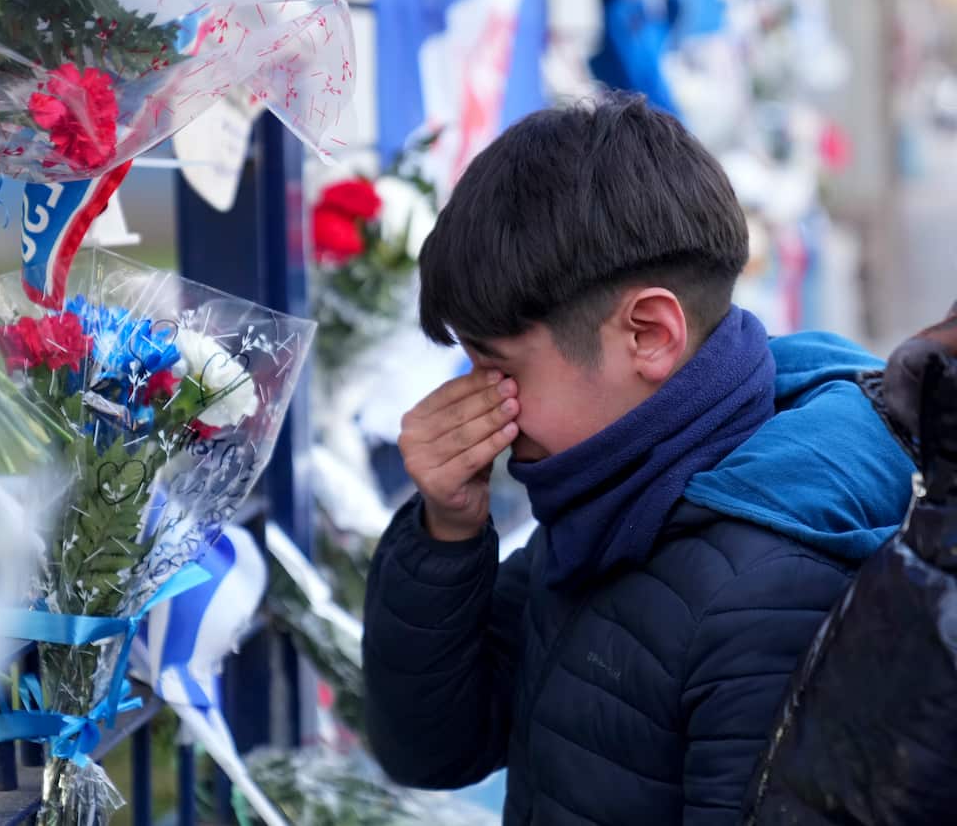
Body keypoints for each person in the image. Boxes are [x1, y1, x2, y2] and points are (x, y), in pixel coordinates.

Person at [361, 93, 915, 826]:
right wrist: (447, 531)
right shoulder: (620, 488)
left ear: (650, 335)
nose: (477, 400)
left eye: (499, 367)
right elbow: (432, 749)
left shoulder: (774, 589)